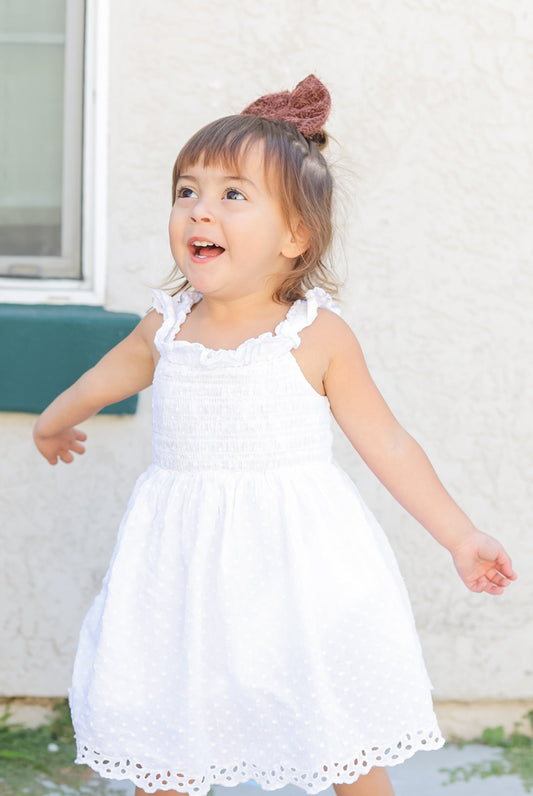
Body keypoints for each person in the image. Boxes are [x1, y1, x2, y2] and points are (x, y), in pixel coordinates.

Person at [33, 75, 516, 796]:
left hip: (298, 572)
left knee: (340, 739)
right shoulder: (167, 327)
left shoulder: (314, 336)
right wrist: (53, 419)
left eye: (232, 195)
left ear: (295, 234)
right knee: (168, 735)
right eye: (187, 191)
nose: (200, 210)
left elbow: (385, 443)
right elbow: (102, 378)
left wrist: (458, 536)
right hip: (181, 575)